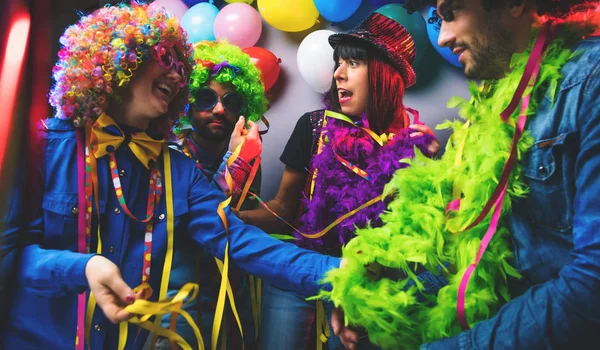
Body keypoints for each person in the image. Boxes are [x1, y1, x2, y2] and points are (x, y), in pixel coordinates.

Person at [0, 3, 340, 349]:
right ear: (119, 60)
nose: (179, 77)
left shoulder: (178, 172)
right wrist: (82, 268)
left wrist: (341, 276)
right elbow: (6, 256)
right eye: (166, 60)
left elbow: (244, 243)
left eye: (182, 68)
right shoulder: (41, 149)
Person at [329, 0, 600, 349]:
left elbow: (592, 284)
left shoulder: (590, 84)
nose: (441, 37)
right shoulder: (488, 109)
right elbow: (465, 247)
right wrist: (368, 291)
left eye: (452, 12)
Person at [236, 13, 440, 349]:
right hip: (302, 268)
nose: (338, 73)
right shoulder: (314, 127)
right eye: (338, 63)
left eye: (353, 63)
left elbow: (420, 242)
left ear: (384, 75)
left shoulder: (413, 146)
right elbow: (283, 210)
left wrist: (431, 170)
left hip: (369, 281)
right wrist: (227, 218)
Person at [157, 41, 267, 349]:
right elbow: (203, 226)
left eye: (230, 102)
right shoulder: (166, 154)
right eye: (206, 98)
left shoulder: (249, 154)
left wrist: (242, 160)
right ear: (186, 103)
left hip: (233, 302)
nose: (219, 109)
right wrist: (236, 163)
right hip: (180, 309)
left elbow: (238, 227)